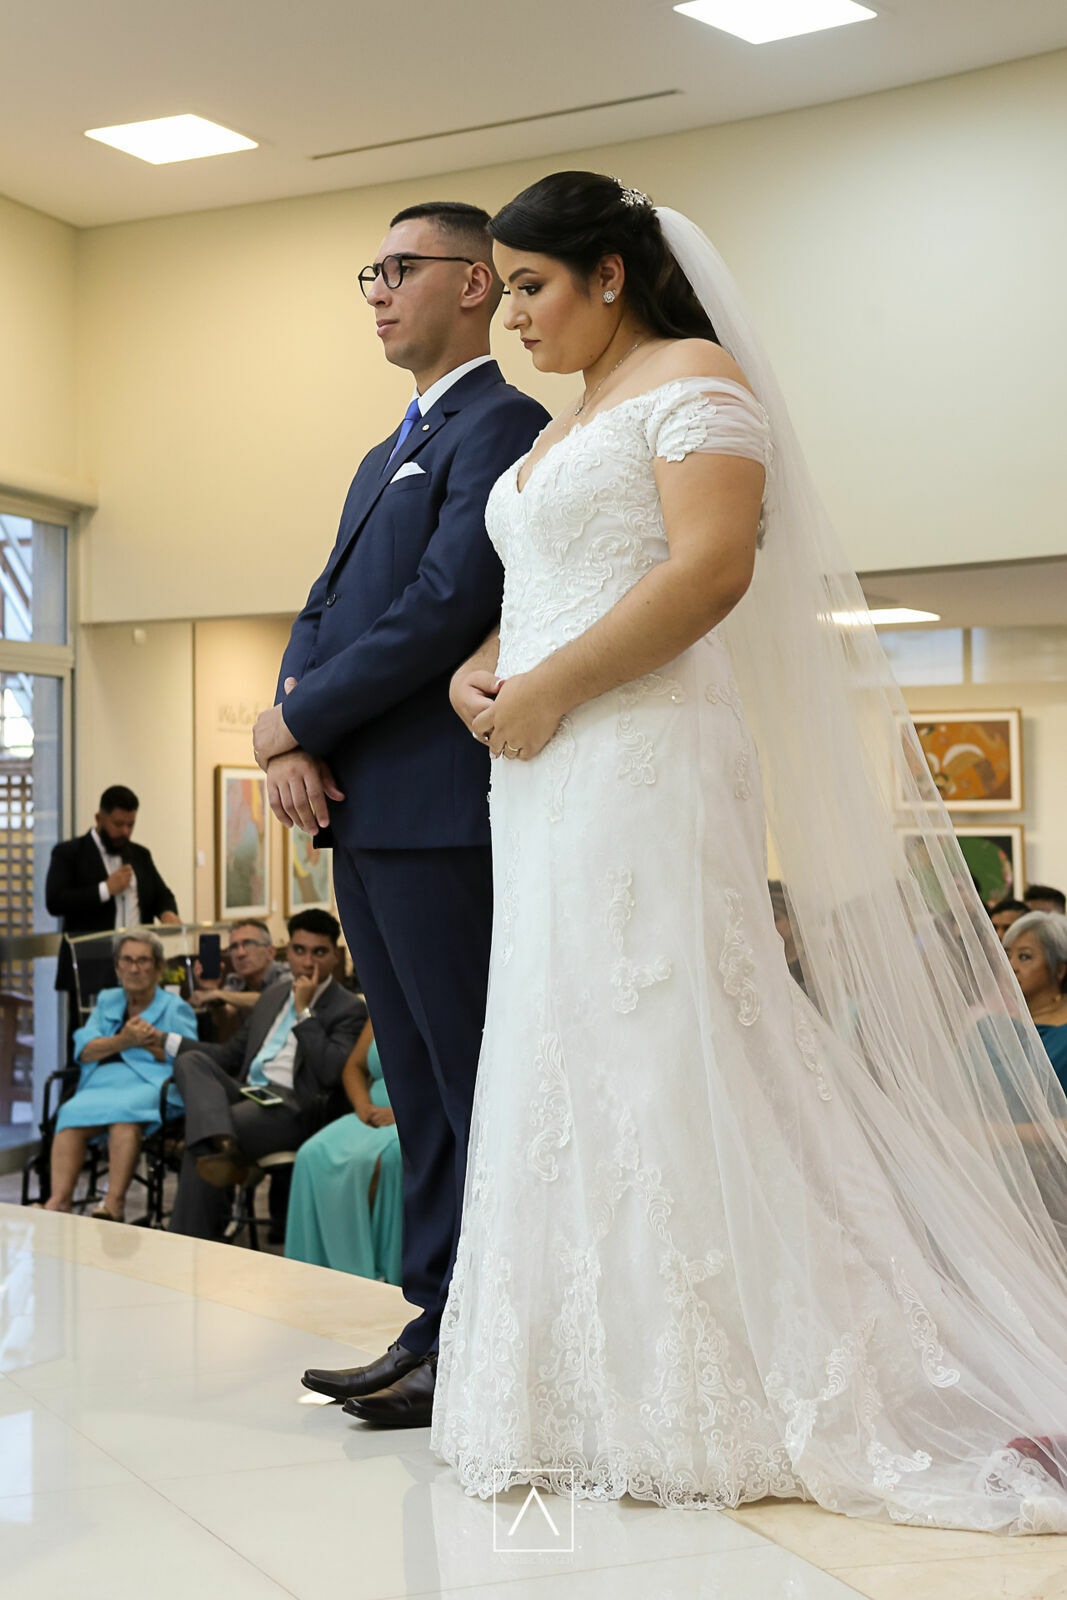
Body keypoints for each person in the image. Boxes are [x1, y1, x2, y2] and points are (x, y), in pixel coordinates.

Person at [429, 172, 1067, 1532]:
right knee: (560, 1035)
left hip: (641, 750)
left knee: (663, 1027)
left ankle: (717, 1379)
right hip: (544, 764)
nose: (514, 319)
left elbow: (707, 569)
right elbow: (545, 582)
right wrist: (483, 672)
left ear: (609, 273)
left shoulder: (692, 379)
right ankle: (574, 1387)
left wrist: (549, 690)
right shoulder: (574, 419)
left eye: (531, 287)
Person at [251, 200, 548, 1421]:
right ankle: (434, 1317)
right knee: (418, 1082)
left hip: (442, 808)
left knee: (471, 1076)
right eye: (366, 272)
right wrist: (290, 729)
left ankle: (490, 1330)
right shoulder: (388, 448)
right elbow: (323, 607)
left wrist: (303, 717)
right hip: (363, 812)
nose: (375, 291)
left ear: (475, 283)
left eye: (398, 268)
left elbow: (442, 604)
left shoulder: (505, 422)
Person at [168, 910, 364, 1240]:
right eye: (299, 951)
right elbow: (230, 1055)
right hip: (247, 1091)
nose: (307, 962)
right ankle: (223, 1140)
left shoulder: (348, 1008)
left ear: (335, 956)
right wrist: (166, 1041)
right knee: (193, 1062)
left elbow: (332, 1073)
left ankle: (190, 1244)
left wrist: (304, 1012)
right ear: (288, 953)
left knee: (200, 1140)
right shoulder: (273, 996)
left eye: (319, 952)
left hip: (291, 1107)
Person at [43, 931, 197, 1221]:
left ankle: (113, 1204)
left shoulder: (176, 1007)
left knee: (125, 1119)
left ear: (159, 968)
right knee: (71, 1113)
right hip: (103, 1083)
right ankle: (59, 1201)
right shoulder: (107, 1000)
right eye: (127, 960)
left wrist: (153, 1043)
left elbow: (190, 1058)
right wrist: (124, 1041)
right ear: (117, 967)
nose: (134, 968)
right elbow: (85, 1049)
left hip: (152, 1083)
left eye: (143, 961)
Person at [45, 785, 182, 1047]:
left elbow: (161, 893)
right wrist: (106, 889)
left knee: (137, 1037)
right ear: (99, 819)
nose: (125, 832)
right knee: (89, 1041)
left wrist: (168, 912)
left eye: (131, 825)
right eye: (118, 824)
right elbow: (55, 901)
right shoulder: (68, 853)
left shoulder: (139, 854)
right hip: (89, 968)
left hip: (136, 967)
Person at [285, 1018, 402, 1284]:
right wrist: (362, 1106)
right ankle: (311, 1269)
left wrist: (403, 1115)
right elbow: (354, 1067)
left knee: (377, 1161)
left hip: (418, 1119)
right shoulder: (381, 1006)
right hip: (370, 1113)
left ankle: (376, 1273)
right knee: (310, 1154)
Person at [1004, 913, 1067, 1089]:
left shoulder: (1063, 1037)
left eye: (1024, 957)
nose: (1011, 966)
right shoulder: (994, 1025)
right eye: (1007, 955)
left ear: (1059, 969)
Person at [191, 919, 288, 1016]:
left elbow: (272, 1000)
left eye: (248, 944)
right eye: (234, 946)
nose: (240, 953)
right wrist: (210, 989)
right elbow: (227, 1014)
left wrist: (217, 994)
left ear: (270, 952)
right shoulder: (236, 980)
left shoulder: (286, 974)